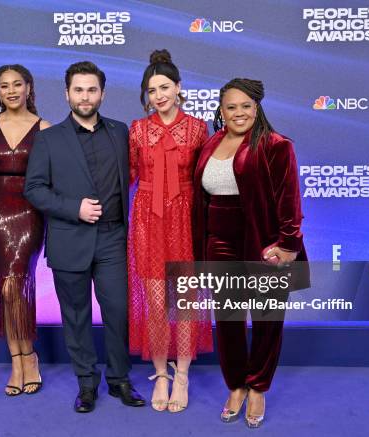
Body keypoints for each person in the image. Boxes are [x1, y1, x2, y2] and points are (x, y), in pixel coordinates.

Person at [24, 61, 145, 413]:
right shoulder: (47, 139)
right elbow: (34, 188)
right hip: (69, 238)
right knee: (75, 316)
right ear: (66, 94)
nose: (85, 96)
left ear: (102, 93)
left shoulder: (122, 132)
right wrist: (73, 207)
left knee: (118, 313)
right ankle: (86, 384)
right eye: (78, 89)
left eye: (92, 89)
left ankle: (120, 380)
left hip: (112, 239)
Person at [192, 78, 309, 427]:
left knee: (266, 319)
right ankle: (237, 386)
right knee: (228, 320)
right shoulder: (211, 143)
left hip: (264, 244)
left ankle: (258, 386)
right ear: (221, 110)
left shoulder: (275, 145)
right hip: (219, 243)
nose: (239, 113)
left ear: (256, 108)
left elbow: (290, 201)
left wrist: (288, 245)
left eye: (245, 106)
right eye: (231, 107)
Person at [128, 49, 213, 413]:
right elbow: (128, 175)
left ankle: (183, 374)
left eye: (164, 87)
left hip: (184, 216)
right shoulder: (137, 129)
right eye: (152, 90)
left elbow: (207, 177)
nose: (159, 95)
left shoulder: (197, 128)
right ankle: (161, 373)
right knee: (156, 298)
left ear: (179, 87)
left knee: (184, 298)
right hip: (148, 215)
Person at [0, 64, 50, 396]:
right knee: (6, 287)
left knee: (16, 286)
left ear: (28, 88)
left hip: (29, 213)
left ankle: (30, 357)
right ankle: (17, 360)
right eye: (4, 86)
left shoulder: (45, 128)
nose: (11, 91)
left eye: (17, 84)